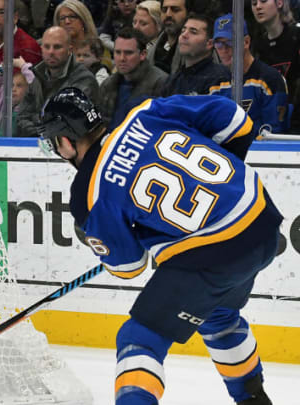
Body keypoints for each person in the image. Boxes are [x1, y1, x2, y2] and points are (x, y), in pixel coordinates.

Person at [38, 87, 280, 405]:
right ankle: (254, 400)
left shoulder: (89, 192)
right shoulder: (147, 112)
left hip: (215, 251)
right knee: (218, 316)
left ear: (66, 142)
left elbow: (129, 267)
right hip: (262, 219)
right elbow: (236, 120)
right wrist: (218, 194)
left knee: (138, 340)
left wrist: (118, 237)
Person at [209, 14, 290, 134]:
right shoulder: (216, 83)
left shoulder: (269, 79)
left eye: (230, 43)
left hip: (260, 150)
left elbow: (274, 132)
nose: (224, 49)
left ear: (246, 42)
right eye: (219, 44)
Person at [15, 26, 99, 137]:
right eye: (47, 47)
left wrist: (37, 119)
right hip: (37, 147)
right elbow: (21, 117)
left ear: (70, 50)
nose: (51, 52)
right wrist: (43, 127)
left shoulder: (84, 79)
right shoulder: (38, 76)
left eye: (57, 47)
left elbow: (68, 123)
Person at [98, 27, 167, 130]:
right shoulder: (108, 84)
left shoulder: (160, 82)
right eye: (117, 52)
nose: (122, 58)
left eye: (128, 53)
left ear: (143, 54)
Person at [251, 0, 300, 131]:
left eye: (263, 1)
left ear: (279, 3)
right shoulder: (258, 44)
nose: (258, 7)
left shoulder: (296, 36)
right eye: (254, 3)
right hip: (270, 119)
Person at [160, 13, 231, 96]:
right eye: (183, 31)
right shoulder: (173, 80)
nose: (184, 35)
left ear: (209, 43)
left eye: (193, 32)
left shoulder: (219, 78)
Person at [54, 0, 113, 69]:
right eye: (62, 18)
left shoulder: (98, 47)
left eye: (72, 16)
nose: (67, 21)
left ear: (83, 20)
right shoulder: (53, 49)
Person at [0, 56, 34, 136]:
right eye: (11, 85)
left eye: (19, 85)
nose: (13, 89)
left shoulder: (33, 105)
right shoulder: (4, 106)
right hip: (1, 147)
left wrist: (23, 65)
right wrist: (2, 68)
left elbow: (35, 83)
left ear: (28, 89)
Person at [147, 0, 189, 74]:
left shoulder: (195, 51)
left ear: (187, 14)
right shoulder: (152, 50)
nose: (168, 14)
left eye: (175, 10)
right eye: (164, 10)